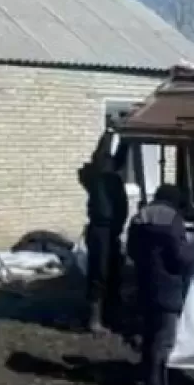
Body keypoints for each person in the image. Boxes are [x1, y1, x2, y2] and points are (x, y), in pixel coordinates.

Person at [127, 184, 194, 385]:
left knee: (150, 337)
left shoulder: (139, 217)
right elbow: (180, 258)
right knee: (164, 341)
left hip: (144, 284)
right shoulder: (173, 220)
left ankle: (151, 384)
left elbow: (131, 251)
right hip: (167, 287)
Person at [77, 131, 130, 333]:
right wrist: (110, 133)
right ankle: (94, 319)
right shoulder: (97, 175)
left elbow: (120, 159)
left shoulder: (111, 176)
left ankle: (112, 314)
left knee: (114, 272)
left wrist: (126, 138)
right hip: (100, 230)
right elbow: (103, 156)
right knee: (99, 272)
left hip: (113, 231)